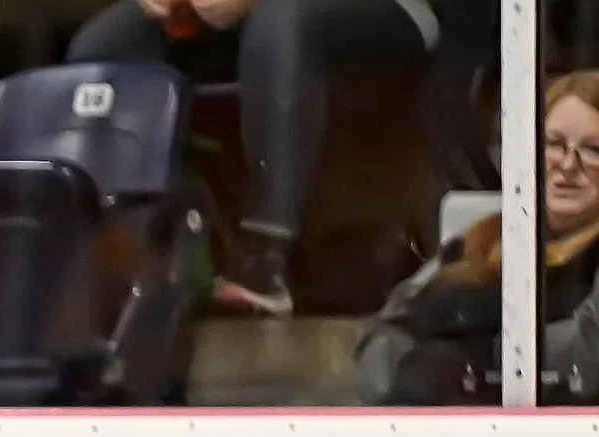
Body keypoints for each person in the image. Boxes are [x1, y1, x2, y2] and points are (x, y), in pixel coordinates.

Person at [66, 0, 444, 316]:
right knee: (102, 46)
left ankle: (265, 256)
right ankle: (136, 264)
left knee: (281, 19)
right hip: (231, 20)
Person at [354, 72, 599, 404]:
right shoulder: (484, 235)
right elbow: (378, 343)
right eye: (554, 144)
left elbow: (583, 360)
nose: (568, 165)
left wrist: (477, 350)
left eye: (592, 150)